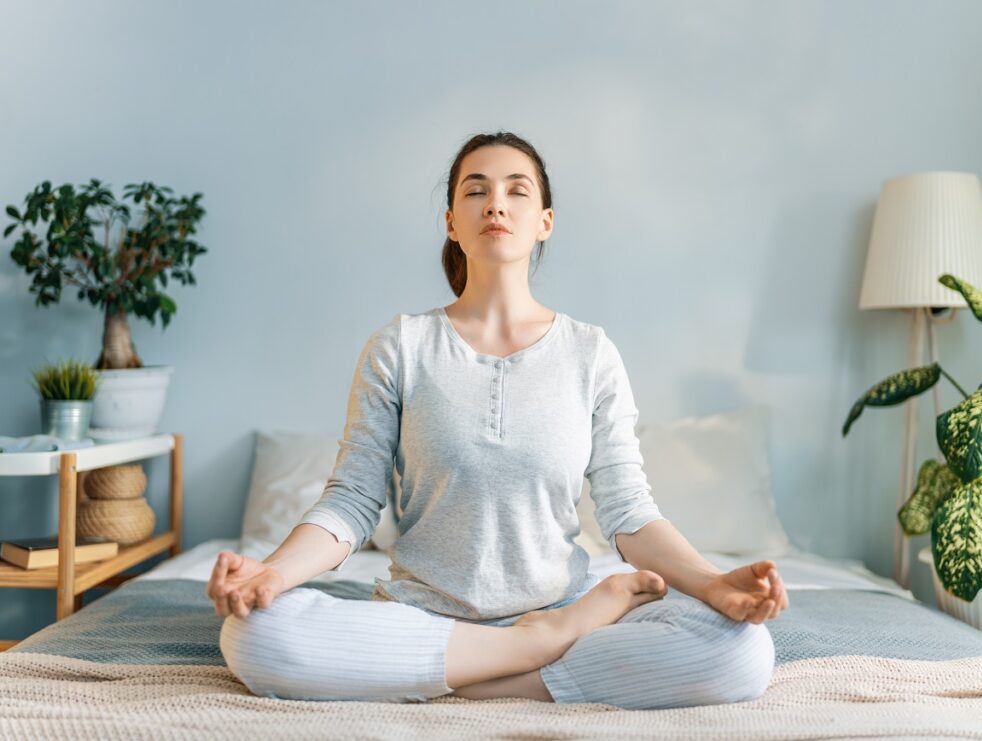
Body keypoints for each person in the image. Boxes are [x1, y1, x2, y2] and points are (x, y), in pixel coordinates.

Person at [211, 131, 787, 709]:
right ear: (451, 222)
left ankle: (475, 669)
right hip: (427, 621)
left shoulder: (591, 353)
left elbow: (629, 512)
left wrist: (712, 583)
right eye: (475, 191)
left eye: (517, 191)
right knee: (254, 633)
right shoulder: (400, 346)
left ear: (544, 222)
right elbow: (352, 501)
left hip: (555, 604)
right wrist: (273, 574)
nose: (495, 204)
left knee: (743, 651)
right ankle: (537, 652)